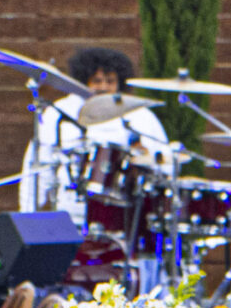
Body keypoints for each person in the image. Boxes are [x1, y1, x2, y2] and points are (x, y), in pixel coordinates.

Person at [21, 46, 172, 223]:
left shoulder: (139, 115)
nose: (103, 87)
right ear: (84, 80)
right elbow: (38, 167)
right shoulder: (59, 112)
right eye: (97, 81)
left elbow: (166, 163)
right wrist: (27, 216)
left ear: (120, 83)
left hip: (121, 213)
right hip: (69, 210)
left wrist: (145, 157)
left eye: (110, 81)